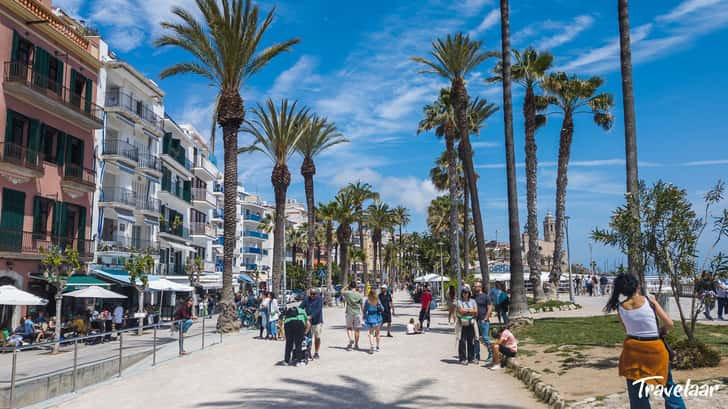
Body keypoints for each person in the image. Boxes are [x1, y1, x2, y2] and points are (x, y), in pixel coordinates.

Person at [604, 273, 686, 409]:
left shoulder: (620, 307)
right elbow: (669, 323)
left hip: (633, 350)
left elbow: (627, 330)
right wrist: (662, 330)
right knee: (667, 385)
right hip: (655, 348)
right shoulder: (649, 300)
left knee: (636, 389)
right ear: (637, 286)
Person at [455, 286, 478, 365]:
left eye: (467, 292)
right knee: (462, 341)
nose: (466, 294)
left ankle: (471, 358)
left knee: (471, 341)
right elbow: (461, 311)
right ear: (462, 293)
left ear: (469, 293)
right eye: (464, 292)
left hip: (471, 323)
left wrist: (466, 311)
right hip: (462, 323)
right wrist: (470, 311)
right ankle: (462, 358)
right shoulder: (459, 301)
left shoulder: (473, 301)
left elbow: (476, 311)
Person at [473, 281, 493, 362]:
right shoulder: (473, 297)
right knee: (476, 339)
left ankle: (491, 354)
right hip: (475, 321)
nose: (474, 288)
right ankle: (477, 356)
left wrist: (485, 318)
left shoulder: (486, 297)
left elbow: (490, 308)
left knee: (485, 338)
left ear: (480, 287)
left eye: (476, 286)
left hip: (484, 320)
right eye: (474, 286)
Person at [300, 288, 323, 359]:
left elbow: (318, 309)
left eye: (314, 294)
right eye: (311, 294)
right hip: (308, 322)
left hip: (317, 321)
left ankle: (316, 352)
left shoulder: (319, 299)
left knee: (317, 337)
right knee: (308, 338)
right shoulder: (307, 299)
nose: (312, 295)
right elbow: (301, 307)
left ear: (317, 294)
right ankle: (308, 352)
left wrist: (311, 316)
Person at [342, 282, 363, 350]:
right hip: (357, 313)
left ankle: (351, 339)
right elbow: (361, 305)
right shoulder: (359, 295)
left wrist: (346, 286)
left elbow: (341, 291)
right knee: (357, 329)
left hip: (349, 313)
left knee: (349, 328)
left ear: (350, 287)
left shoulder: (348, 293)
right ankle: (356, 344)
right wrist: (363, 313)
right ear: (356, 287)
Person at [363, 289, 384, 354]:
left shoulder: (367, 301)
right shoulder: (377, 301)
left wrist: (364, 316)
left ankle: (371, 346)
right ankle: (377, 347)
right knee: (377, 333)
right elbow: (382, 309)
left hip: (370, 318)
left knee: (371, 333)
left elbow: (364, 310)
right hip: (377, 317)